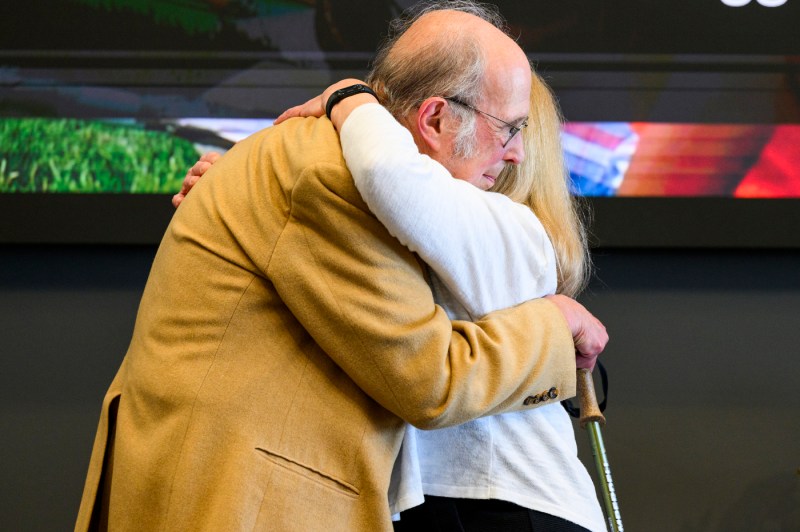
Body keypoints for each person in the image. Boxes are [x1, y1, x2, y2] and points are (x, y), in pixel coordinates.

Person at [76, 2, 608, 531]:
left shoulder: (333, 170)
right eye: (508, 128)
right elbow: (429, 376)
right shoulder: (334, 175)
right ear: (437, 118)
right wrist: (556, 327)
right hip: (232, 501)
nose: (516, 153)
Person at [182, 69, 606, 531]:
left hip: (505, 503)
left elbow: (391, 175)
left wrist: (348, 99)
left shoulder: (507, 228)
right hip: (437, 500)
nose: (514, 148)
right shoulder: (417, 226)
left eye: (515, 130)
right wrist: (245, 187)